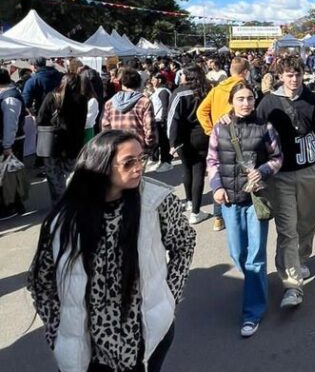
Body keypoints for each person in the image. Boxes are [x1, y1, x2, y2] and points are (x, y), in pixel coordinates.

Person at [28, 130, 195, 372]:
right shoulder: (66, 218)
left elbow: (184, 242)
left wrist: (170, 295)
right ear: (102, 166)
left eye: (141, 158)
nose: (138, 167)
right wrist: (57, 327)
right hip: (88, 349)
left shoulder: (155, 201)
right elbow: (40, 280)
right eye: (129, 162)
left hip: (147, 336)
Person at [207, 81, 283, 337]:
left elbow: (277, 158)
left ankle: (253, 313)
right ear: (232, 101)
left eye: (250, 98)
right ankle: (256, 281)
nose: (246, 103)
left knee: (255, 257)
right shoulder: (220, 127)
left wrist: (262, 172)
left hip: (256, 199)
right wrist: (217, 186)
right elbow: (212, 160)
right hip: (229, 199)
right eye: (240, 98)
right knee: (238, 253)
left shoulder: (265, 126)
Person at [254, 55, 315, 309]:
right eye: (288, 75)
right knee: (287, 229)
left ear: (303, 74)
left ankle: (299, 259)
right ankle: (292, 285)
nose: (294, 79)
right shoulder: (268, 103)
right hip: (281, 175)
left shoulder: (314, 100)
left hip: (310, 171)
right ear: (280, 76)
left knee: (308, 221)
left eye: (297, 74)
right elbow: (255, 136)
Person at [197, 57, 250, 232]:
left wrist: (210, 130)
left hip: (219, 137)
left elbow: (201, 111)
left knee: (218, 174)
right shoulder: (243, 89)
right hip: (239, 136)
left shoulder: (217, 89)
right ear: (245, 72)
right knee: (239, 173)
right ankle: (241, 212)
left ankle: (218, 217)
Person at [168, 65, 212, 224]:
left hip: (183, 137)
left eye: (182, 75)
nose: (180, 77)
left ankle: (190, 203)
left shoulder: (180, 92)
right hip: (203, 135)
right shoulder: (208, 89)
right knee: (199, 170)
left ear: (188, 77)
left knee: (187, 168)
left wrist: (172, 141)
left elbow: (173, 117)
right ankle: (195, 211)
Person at [37, 73, 88, 205]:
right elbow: (82, 124)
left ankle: (58, 205)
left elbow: (41, 119)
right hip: (73, 145)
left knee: (55, 179)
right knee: (70, 177)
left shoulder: (52, 97)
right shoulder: (82, 99)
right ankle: (70, 203)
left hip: (52, 144)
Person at [101, 68, 157, 152]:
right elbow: (149, 128)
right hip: (138, 148)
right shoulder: (145, 102)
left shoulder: (109, 103)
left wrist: (110, 146)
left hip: (117, 148)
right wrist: (149, 146)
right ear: (139, 83)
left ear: (122, 83)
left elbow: (105, 127)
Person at [0, 68, 27, 219]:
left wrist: (7, 145)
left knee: (9, 176)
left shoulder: (10, 97)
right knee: (9, 175)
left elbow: (10, 124)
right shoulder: (8, 94)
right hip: (10, 142)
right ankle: (14, 205)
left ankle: (11, 207)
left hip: (11, 143)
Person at [148, 72, 173, 173]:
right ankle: (157, 160)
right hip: (157, 120)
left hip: (161, 120)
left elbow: (165, 106)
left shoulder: (163, 91)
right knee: (158, 141)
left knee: (164, 142)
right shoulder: (157, 91)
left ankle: (166, 162)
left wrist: (164, 120)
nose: (152, 82)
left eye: (154, 79)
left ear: (160, 80)